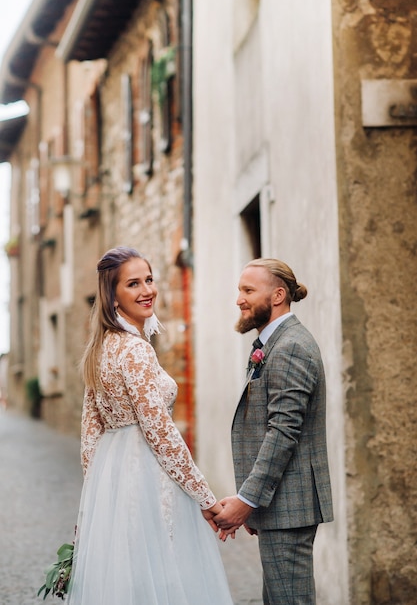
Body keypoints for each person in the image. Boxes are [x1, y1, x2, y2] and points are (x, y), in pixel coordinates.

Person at [67, 246, 233, 605]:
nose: (147, 290)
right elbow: (159, 430)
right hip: (149, 478)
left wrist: (99, 501)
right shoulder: (135, 350)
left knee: (130, 578)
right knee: (164, 575)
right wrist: (204, 497)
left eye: (149, 279)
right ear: (112, 296)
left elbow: (90, 437)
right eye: (133, 284)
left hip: (115, 481)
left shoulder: (101, 348)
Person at [215, 258, 334, 605]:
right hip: (279, 506)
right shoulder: (273, 344)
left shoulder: (291, 346)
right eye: (240, 290)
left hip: (289, 506)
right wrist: (254, 507)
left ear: (278, 294)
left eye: (248, 290)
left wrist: (247, 500)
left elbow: (282, 432)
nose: (239, 299)